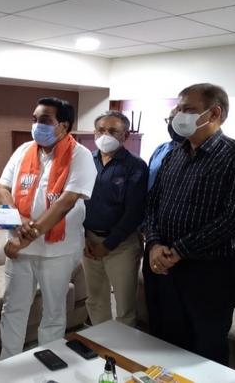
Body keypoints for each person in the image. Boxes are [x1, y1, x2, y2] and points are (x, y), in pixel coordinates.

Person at [143, 83, 235, 365]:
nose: (178, 115)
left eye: (187, 109)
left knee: (205, 352)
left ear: (214, 113)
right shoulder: (174, 154)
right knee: (165, 345)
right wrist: (155, 243)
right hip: (165, 268)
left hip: (211, 274)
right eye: (178, 109)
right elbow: (153, 204)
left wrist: (180, 250)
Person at [0, 97, 96, 358]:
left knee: (53, 312)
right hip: (20, 249)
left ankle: (46, 364)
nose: (36, 125)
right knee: (13, 309)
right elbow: (2, 188)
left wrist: (24, 238)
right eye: (34, 119)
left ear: (63, 126)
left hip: (57, 251)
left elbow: (66, 202)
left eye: (44, 120)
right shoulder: (24, 150)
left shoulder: (80, 155)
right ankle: (8, 365)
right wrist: (16, 218)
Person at [82, 110, 148, 327]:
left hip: (122, 245)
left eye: (112, 131)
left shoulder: (135, 166)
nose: (105, 135)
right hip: (89, 242)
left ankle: (122, 347)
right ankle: (100, 342)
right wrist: (83, 237)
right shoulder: (85, 161)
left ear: (125, 135)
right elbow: (75, 202)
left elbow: (134, 212)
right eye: (101, 130)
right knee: (95, 300)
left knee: (124, 306)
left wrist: (108, 245)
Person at [147, 108, 185, 190]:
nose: (171, 124)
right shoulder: (160, 149)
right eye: (170, 120)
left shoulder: (193, 153)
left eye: (176, 120)